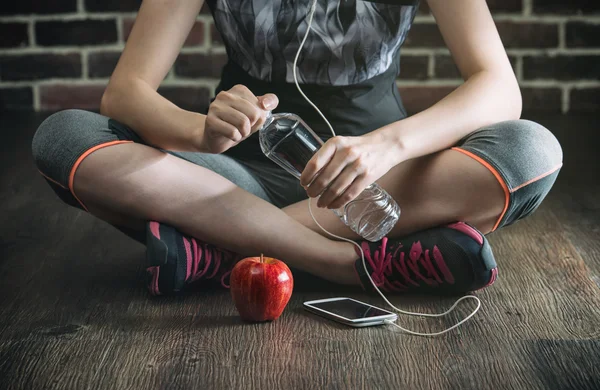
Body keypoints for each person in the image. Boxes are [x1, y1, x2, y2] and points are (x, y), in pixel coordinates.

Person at [32, 0, 562, 296]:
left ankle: (224, 252)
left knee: (531, 148)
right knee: (65, 137)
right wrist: (200, 133)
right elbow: (124, 93)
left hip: (379, 183)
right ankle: (349, 265)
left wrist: (385, 147)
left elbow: (499, 86)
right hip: (232, 179)